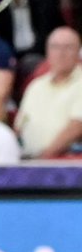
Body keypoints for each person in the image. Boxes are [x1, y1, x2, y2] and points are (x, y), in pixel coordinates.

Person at [15, 27, 82, 158]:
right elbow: (19, 127)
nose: (61, 53)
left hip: (68, 164)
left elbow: (77, 127)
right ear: (47, 52)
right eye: (55, 47)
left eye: (68, 47)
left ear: (78, 53)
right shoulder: (35, 86)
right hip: (29, 161)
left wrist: (44, 157)